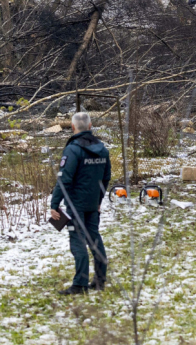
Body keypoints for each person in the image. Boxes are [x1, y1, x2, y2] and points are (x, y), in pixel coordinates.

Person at [50, 112, 111, 295]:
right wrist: (99, 200)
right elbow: (106, 178)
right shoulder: (103, 149)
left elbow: (64, 180)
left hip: (76, 204)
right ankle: (100, 281)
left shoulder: (73, 150)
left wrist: (54, 204)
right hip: (92, 203)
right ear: (90, 126)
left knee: (77, 242)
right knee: (94, 239)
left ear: (73, 126)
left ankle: (80, 285)